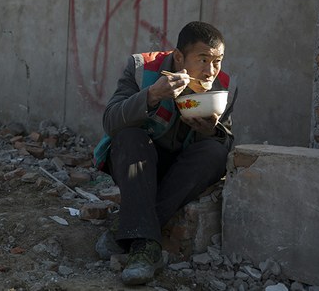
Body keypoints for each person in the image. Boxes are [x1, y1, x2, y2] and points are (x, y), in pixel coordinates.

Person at [92, 21, 237, 285]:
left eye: (217, 61)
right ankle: (147, 249)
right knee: (129, 135)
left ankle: (130, 227)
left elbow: (226, 140)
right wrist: (151, 96)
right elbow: (110, 121)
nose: (210, 71)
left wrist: (210, 130)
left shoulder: (221, 86)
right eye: (203, 60)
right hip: (137, 164)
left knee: (214, 152)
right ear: (180, 57)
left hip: (179, 172)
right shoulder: (141, 68)